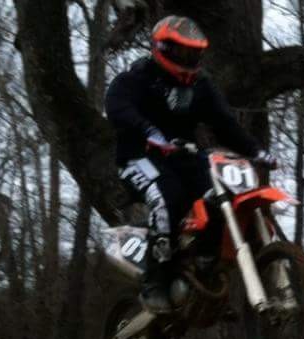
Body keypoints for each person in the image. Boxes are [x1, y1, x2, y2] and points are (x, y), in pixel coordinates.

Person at [105, 15, 277, 313]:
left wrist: (256, 151)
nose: (188, 59)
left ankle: (205, 269)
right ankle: (155, 282)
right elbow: (116, 105)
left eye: (193, 53)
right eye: (182, 51)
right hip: (139, 157)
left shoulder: (201, 84)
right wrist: (148, 130)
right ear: (163, 48)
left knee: (222, 194)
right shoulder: (138, 77)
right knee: (166, 198)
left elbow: (225, 124)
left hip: (183, 156)